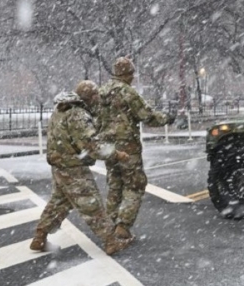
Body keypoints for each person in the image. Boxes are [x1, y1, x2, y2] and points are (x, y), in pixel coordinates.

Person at [30, 82, 132, 255]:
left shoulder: (60, 110)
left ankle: (40, 237)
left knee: (58, 203)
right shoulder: (78, 114)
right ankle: (110, 241)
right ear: (90, 97)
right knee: (92, 205)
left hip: (60, 166)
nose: (98, 100)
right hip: (74, 168)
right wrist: (116, 154)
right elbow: (92, 145)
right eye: (96, 97)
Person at [97, 57, 174, 241]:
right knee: (134, 184)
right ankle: (123, 225)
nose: (133, 77)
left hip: (108, 146)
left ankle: (111, 224)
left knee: (115, 184)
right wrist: (167, 118)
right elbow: (147, 116)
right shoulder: (127, 92)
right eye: (131, 73)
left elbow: (95, 119)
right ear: (128, 74)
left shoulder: (102, 92)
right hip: (127, 146)